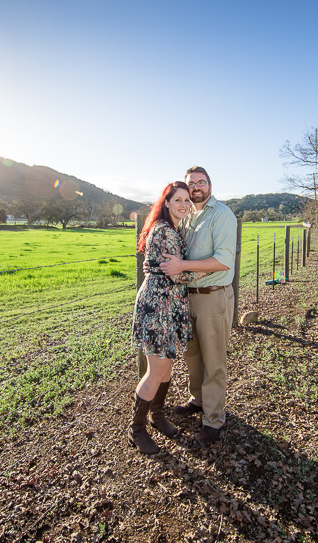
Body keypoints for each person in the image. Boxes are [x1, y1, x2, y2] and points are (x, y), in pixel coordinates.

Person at [160, 166, 237, 447]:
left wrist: (182, 266)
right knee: (193, 354)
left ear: (210, 185)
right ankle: (198, 400)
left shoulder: (222, 215)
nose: (195, 188)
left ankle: (214, 418)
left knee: (214, 359)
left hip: (213, 297)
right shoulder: (189, 215)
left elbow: (223, 260)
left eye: (201, 182)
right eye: (191, 183)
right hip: (188, 297)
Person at [129, 181, 197, 455]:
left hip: (168, 304)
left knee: (166, 367)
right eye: (178, 199)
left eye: (187, 201)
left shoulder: (169, 229)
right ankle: (136, 430)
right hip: (159, 306)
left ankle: (157, 416)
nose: (183, 205)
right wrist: (210, 268)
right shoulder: (166, 232)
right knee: (156, 370)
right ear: (166, 202)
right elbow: (179, 274)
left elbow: (172, 270)